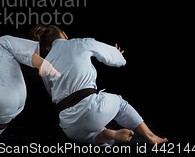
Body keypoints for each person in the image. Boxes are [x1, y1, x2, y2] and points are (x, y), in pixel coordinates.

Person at [38, 25, 168, 146]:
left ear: (48, 48)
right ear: (64, 35)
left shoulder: (44, 64)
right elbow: (119, 61)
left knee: (95, 138)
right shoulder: (80, 42)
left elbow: (52, 93)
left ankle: (105, 134)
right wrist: (116, 54)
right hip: (94, 110)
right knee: (121, 105)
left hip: (69, 125)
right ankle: (151, 136)